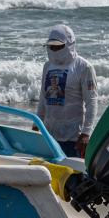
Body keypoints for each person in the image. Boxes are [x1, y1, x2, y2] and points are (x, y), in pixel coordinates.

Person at [36, 24, 98, 158]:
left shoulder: (84, 67)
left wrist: (86, 133)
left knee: (72, 176)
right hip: (49, 135)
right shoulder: (47, 66)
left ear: (69, 44)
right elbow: (43, 97)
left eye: (58, 46)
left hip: (73, 138)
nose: (54, 49)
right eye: (51, 47)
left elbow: (91, 101)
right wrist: (37, 124)